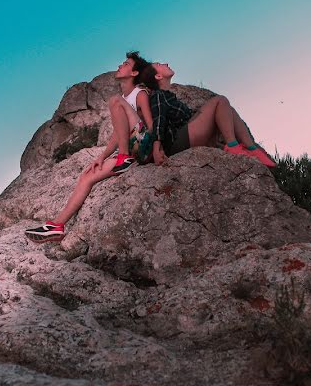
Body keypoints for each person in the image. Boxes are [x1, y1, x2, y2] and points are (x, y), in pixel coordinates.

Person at [24, 52, 154, 244]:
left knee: (115, 100)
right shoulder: (125, 99)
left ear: (134, 73)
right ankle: (56, 227)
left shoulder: (140, 93)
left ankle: (124, 157)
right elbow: (118, 135)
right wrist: (101, 157)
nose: (120, 65)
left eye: (126, 63)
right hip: (130, 155)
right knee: (87, 176)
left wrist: (154, 147)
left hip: (144, 146)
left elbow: (151, 126)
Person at [139, 62, 276, 168]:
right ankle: (233, 146)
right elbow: (158, 120)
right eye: (159, 64)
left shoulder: (168, 96)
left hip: (188, 134)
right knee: (220, 100)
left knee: (229, 109)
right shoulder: (158, 95)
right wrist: (157, 148)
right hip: (178, 142)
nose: (165, 64)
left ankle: (252, 149)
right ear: (158, 76)